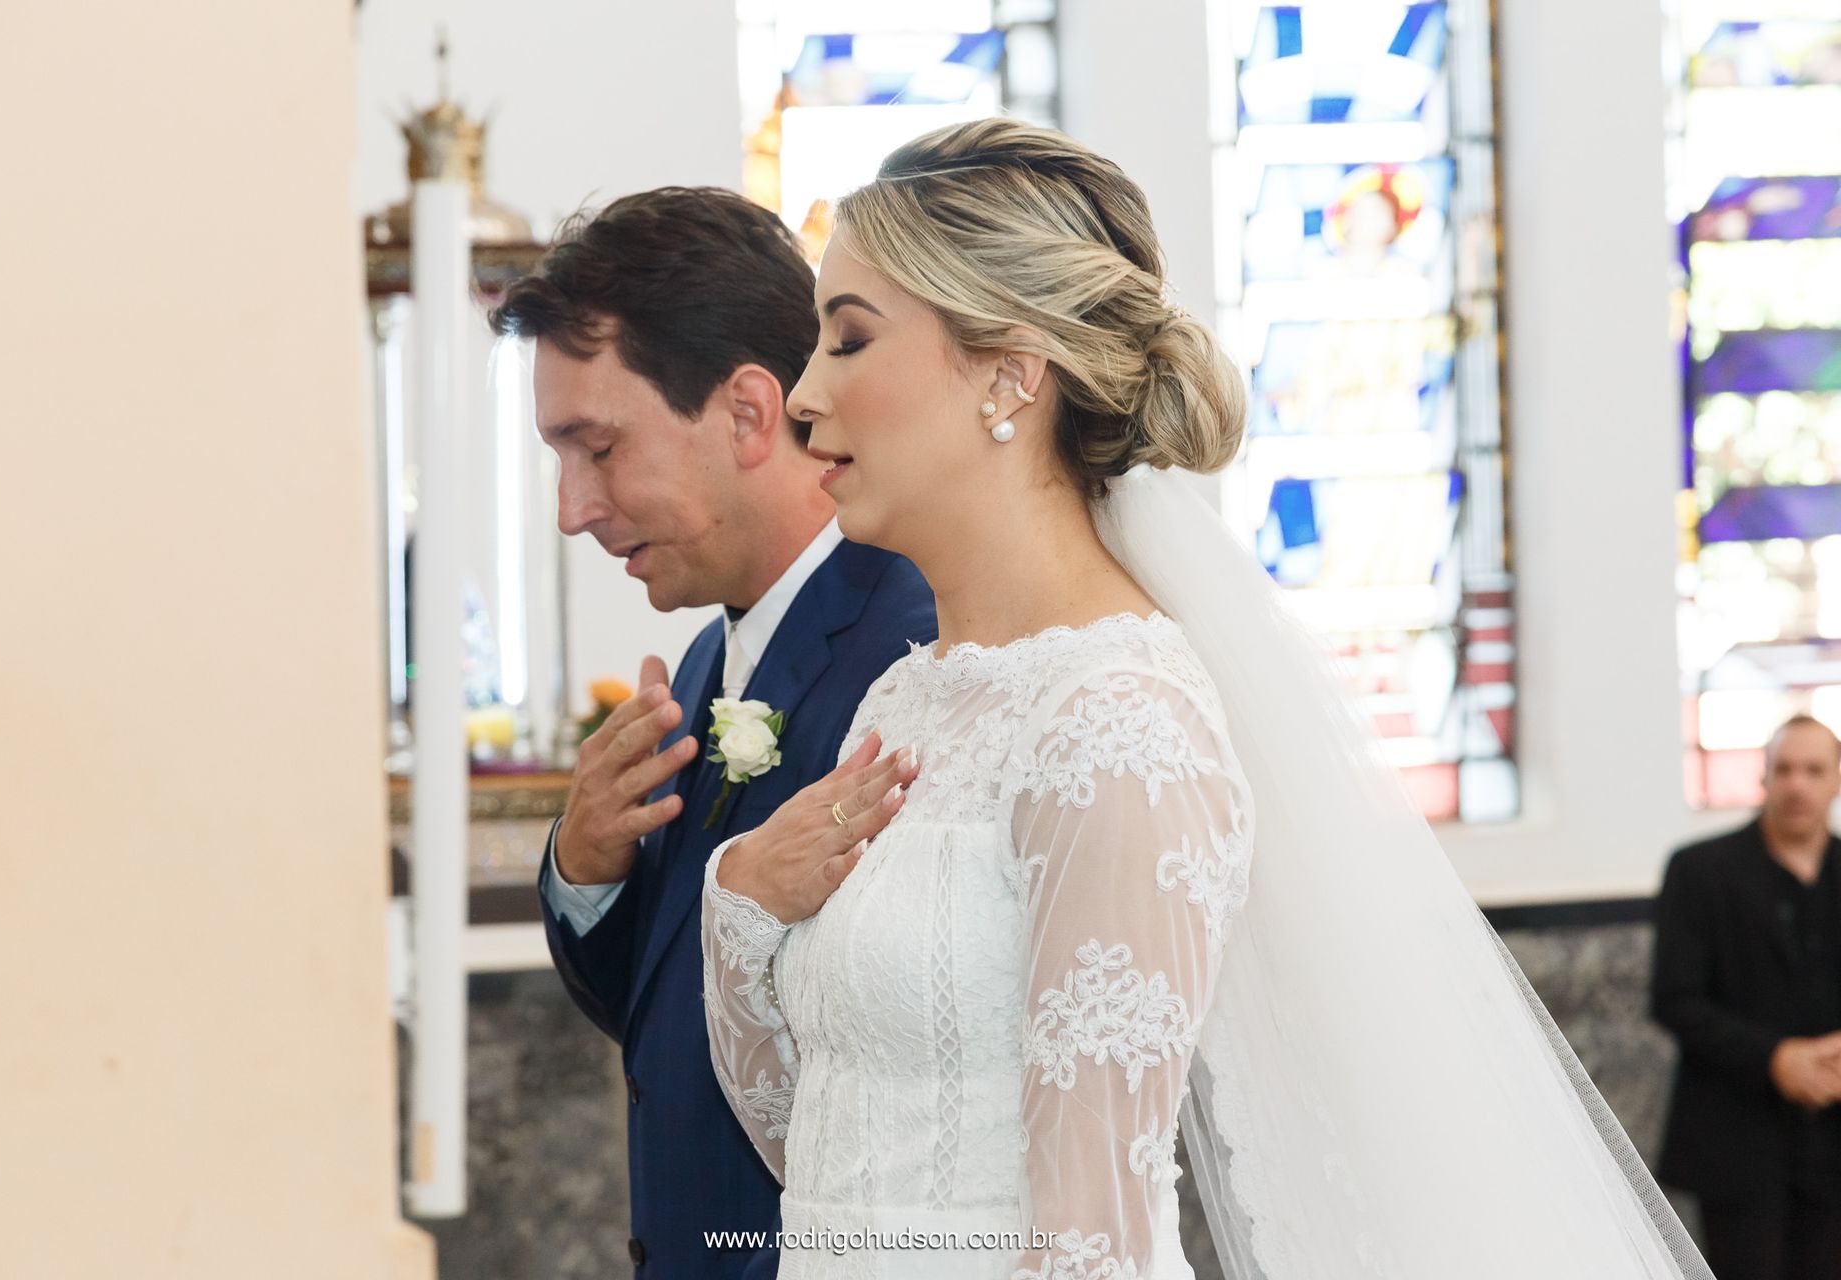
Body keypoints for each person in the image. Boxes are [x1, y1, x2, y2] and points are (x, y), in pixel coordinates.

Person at [697, 119, 1715, 1279]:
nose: (804, 395)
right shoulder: (914, 692)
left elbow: (1091, 1236)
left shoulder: (1117, 721)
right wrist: (739, 897)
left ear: (1009, 375)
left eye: (848, 340)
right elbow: (825, 1153)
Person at [489, 187, 935, 1279]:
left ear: (746, 412)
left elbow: (910, 1062)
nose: (571, 508)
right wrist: (587, 865)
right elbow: (671, 1017)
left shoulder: (912, 653)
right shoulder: (702, 664)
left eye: (596, 448)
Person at [1655, 713, 1841, 1279]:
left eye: (1814, 770)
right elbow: (1675, 998)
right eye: (1783, 769)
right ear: (1762, 779)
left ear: (1837, 780)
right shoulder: (1699, 871)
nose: (1797, 785)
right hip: (1737, 1140)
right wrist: (1776, 1058)